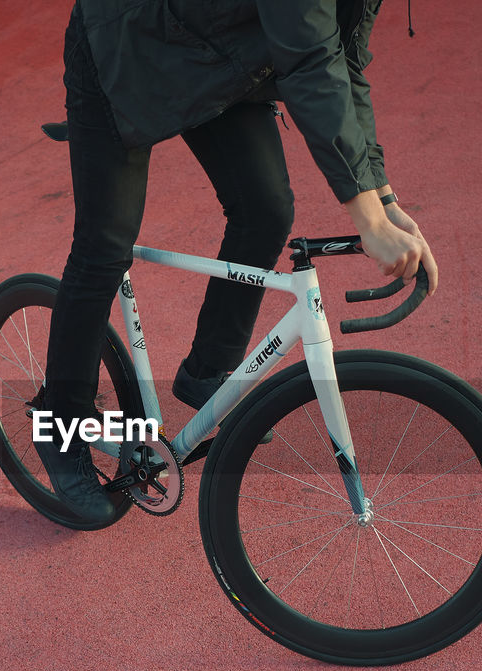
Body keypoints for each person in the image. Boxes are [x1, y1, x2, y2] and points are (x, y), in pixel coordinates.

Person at [37, 0, 438, 523]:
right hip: (124, 43)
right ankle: (59, 420)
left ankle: (206, 371)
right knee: (105, 245)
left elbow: (345, 61)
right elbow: (312, 64)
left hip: (220, 53)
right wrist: (367, 220)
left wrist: (383, 201)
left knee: (266, 212)